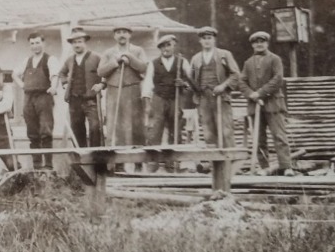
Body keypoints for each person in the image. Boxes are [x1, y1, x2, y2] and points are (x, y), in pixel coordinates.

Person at [241, 30, 298, 175]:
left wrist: (260, 93)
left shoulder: (275, 59)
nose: (259, 44)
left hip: (273, 104)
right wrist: (251, 95)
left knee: (279, 135)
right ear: (252, 45)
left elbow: (278, 79)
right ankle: (265, 167)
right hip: (255, 105)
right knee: (259, 139)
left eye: (262, 41)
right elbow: (242, 82)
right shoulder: (248, 63)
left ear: (267, 43)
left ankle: (286, 167)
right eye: (256, 42)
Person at [143, 34, 195, 173]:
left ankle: (172, 165)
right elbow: (148, 83)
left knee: (175, 130)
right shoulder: (153, 63)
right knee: (155, 131)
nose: (166, 48)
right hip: (159, 99)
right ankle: (152, 165)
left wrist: (183, 84)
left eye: (168, 45)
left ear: (174, 46)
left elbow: (191, 84)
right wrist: (148, 104)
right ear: (160, 48)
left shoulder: (182, 62)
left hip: (175, 99)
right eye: (163, 46)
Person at [99, 26, 149, 163]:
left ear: (130, 35)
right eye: (118, 33)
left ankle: (137, 161)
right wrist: (114, 62)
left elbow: (144, 67)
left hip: (132, 90)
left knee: (134, 125)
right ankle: (115, 161)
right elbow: (100, 72)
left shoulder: (138, 50)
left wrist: (130, 59)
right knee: (114, 125)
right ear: (114, 36)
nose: (122, 35)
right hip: (113, 91)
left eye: (125, 32)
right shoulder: (108, 53)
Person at [188, 26, 241, 148]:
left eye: (209, 38)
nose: (207, 41)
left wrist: (223, 86)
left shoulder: (224, 55)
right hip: (203, 99)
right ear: (200, 41)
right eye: (204, 38)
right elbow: (191, 79)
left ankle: (229, 162)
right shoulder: (195, 58)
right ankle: (215, 164)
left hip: (220, 97)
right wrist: (189, 86)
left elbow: (236, 74)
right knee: (208, 131)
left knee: (225, 129)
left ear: (214, 40)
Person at [57, 28, 104, 147]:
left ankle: (96, 160)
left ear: (85, 42)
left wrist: (101, 84)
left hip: (91, 100)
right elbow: (62, 73)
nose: (77, 45)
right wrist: (65, 84)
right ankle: (80, 160)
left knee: (95, 128)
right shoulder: (69, 60)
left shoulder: (96, 57)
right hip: (74, 101)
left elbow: (106, 74)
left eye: (79, 41)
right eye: (74, 42)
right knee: (77, 130)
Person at [18, 31, 57, 170]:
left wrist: (53, 87)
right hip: (28, 98)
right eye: (32, 43)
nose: (35, 46)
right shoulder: (26, 61)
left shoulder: (50, 59)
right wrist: (22, 85)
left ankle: (48, 165)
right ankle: (37, 165)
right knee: (32, 132)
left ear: (43, 43)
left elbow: (54, 75)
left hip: (43, 97)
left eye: (37, 43)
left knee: (45, 131)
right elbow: (14, 74)